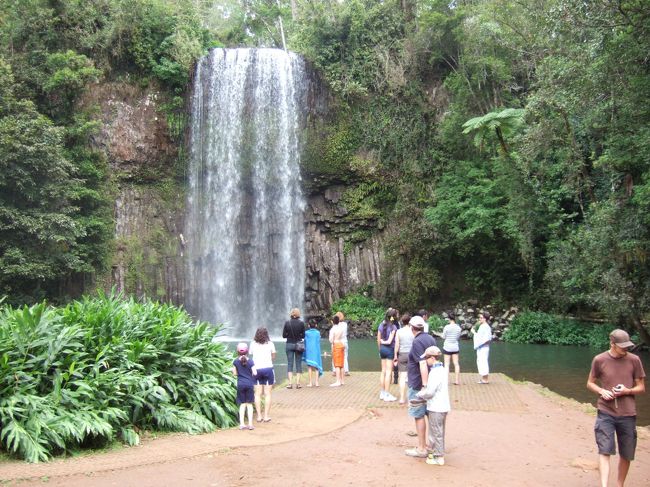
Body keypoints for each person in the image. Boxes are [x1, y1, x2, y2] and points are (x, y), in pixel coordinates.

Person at [586, 329, 646, 487]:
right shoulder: (599, 359)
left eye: (627, 346)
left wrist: (628, 390)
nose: (626, 349)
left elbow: (641, 387)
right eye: (622, 347)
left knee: (626, 454)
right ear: (612, 344)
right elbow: (590, 383)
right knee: (605, 450)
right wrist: (601, 391)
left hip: (628, 413)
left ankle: (619, 485)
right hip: (606, 412)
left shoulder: (634, 360)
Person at [404, 315, 437, 458]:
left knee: (418, 415)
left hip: (418, 384)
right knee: (430, 414)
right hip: (430, 382)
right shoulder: (430, 338)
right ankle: (432, 445)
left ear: (412, 328)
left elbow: (422, 363)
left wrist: (424, 386)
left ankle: (422, 448)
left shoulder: (417, 342)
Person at [415, 346, 450, 466]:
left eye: (426, 358)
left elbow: (430, 392)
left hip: (436, 407)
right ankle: (438, 453)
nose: (425, 361)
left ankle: (438, 456)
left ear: (432, 358)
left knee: (435, 432)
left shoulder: (435, 372)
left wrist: (420, 394)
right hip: (442, 406)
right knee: (439, 431)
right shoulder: (442, 369)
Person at [249, 327, 275, 422]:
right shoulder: (270, 344)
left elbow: (251, 354)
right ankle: (266, 416)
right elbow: (273, 356)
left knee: (257, 394)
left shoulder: (252, 344)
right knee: (268, 393)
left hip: (256, 370)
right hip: (268, 369)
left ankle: (259, 416)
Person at [232, 342, 256, 430]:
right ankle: (250, 424)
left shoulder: (235, 361)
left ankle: (242, 424)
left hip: (240, 384)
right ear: (247, 351)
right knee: (249, 405)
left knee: (242, 405)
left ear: (237, 351)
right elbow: (255, 372)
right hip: (249, 384)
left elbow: (234, 374)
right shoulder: (251, 361)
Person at [377, 308, 398, 401]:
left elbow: (378, 339)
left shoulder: (381, 325)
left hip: (382, 350)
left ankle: (382, 392)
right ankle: (387, 394)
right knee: (389, 372)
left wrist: (380, 348)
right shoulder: (393, 327)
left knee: (383, 371)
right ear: (393, 317)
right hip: (389, 350)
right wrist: (385, 342)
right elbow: (390, 341)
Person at [394, 313, 414, 404]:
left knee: (402, 377)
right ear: (410, 322)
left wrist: (395, 356)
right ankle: (410, 399)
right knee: (411, 377)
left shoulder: (399, 331)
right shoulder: (413, 331)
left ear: (402, 322)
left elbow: (397, 345)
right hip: (412, 355)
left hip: (402, 354)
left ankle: (402, 398)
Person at [282, 308, 305, 389]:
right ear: (298, 314)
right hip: (298, 345)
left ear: (291, 314)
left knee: (290, 364)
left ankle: (290, 383)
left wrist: (289, 335)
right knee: (298, 364)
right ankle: (298, 383)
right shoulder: (301, 323)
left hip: (289, 344)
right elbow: (303, 336)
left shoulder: (287, 323)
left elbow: (284, 335)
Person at [471, 311, 492, 384]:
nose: (480, 319)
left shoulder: (485, 327)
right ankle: (484, 378)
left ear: (485, 319)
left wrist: (474, 332)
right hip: (481, 347)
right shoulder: (483, 326)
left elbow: (487, 339)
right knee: (480, 362)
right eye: (479, 318)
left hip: (483, 347)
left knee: (483, 362)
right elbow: (479, 336)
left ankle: (485, 379)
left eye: (481, 318)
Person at [442, 311, 462, 385]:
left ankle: (446, 381)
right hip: (455, 347)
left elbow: (443, 337)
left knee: (447, 364)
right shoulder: (458, 328)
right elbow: (458, 337)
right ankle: (457, 380)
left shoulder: (447, 327)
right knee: (456, 364)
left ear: (449, 319)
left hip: (447, 347)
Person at [303, 319, 323, 387]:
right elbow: (318, 340)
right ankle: (317, 382)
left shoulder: (306, 333)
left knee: (309, 367)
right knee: (317, 367)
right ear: (316, 325)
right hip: (316, 351)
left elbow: (304, 341)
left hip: (309, 351)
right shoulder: (318, 333)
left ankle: (310, 382)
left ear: (308, 325)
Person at [329, 315, 346, 387]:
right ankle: (342, 380)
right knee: (341, 364)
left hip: (336, 345)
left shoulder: (332, 329)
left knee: (337, 365)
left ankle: (338, 381)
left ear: (332, 322)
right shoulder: (341, 329)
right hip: (341, 344)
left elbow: (331, 340)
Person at [335, 311, 350, 376]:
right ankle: (346, 371)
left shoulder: (336, 325)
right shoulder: (345, 324)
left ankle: (335, 371)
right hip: (344, 342)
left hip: (337, 342)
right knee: (345, 356)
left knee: (336, 357)